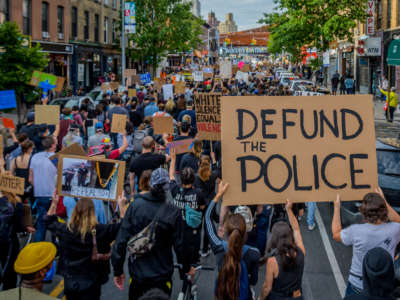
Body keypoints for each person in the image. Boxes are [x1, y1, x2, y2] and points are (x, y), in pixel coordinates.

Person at [111, 168, 185, 300]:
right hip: (162, 275)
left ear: (150, 184)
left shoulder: (135, 206)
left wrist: (118, 270)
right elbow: (180, 246)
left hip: (138, 275)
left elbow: (121, 241)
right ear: (167, 188)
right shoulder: (173, 212)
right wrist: (187, 268)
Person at [45, 194, 126, 300]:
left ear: (75, 211)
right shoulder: (101, 231)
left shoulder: (66, 230)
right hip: (92, 280)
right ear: (93, 212)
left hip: (71, 279)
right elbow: (124, 227)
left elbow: (48, 221)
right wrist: (122, 207)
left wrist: (54, 203)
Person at [332, 189, 400, 296]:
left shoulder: (356, 231)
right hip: (383, 287)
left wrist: (336, 208)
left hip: (357, 285)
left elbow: (336, 234)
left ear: (363, 212)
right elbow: (398, 220)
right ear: (384, 210)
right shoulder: (395, 230)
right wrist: (385, 202)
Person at [205, 181, 261, 300]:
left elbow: (207, 218)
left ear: (226, 231)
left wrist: (219, 194)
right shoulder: (254, 253)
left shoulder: (219, 246)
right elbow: (254, 280)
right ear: (246, 232)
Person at [169, 149, 206, 279]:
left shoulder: (174, 190)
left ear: (182, 179)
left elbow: (171, 176)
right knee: (193, 258)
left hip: (178, 232)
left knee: (181, 259)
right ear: (193, 180)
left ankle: (183, 275)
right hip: (193, 232)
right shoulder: (198, 193)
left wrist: (173, 159)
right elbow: (202, 207)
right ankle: (193, 268)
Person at [259, 199, 305, 300]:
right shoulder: (300, 252)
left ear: (274, 239)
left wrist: (260, 298)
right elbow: (296, 229)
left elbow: (267, 287)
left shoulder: (273, 261)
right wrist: (289, 210)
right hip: (297, 296)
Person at [0, 192, 34, 290]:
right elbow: (18, 225)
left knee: (9, 274)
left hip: (9, 242)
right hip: (9, 242)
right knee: (9, 274)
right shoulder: (16, 200)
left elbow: (17, 224)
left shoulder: (16, 200)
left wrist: (25, 227)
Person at [29, 136, 57, 242]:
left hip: (39, 194)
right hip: (53, 196)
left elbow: (30, 179)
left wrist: (40, 186)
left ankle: (38, 251)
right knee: (55, 224)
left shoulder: (35, 156)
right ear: (53, 145)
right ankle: (55, 249)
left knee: (41, 224)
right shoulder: (56, 158)